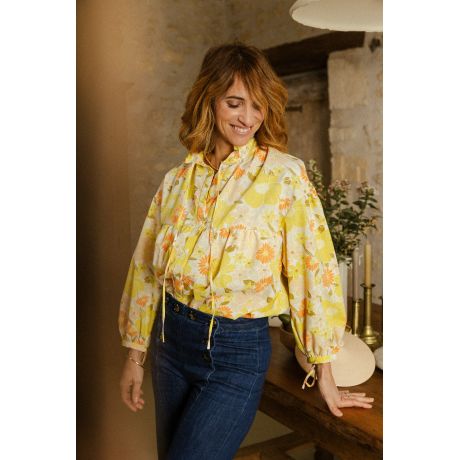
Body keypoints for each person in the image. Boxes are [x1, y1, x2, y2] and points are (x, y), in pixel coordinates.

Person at [118, 42, 374, 460]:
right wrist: (135, 355)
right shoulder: (177, 180)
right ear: (209, 100)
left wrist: (324, 370)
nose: (247, 118)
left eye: (257, 106)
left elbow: (312, 270)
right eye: (234, 103)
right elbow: (145, 269)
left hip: (236, 353)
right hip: (170, 342)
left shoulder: (284, 177)